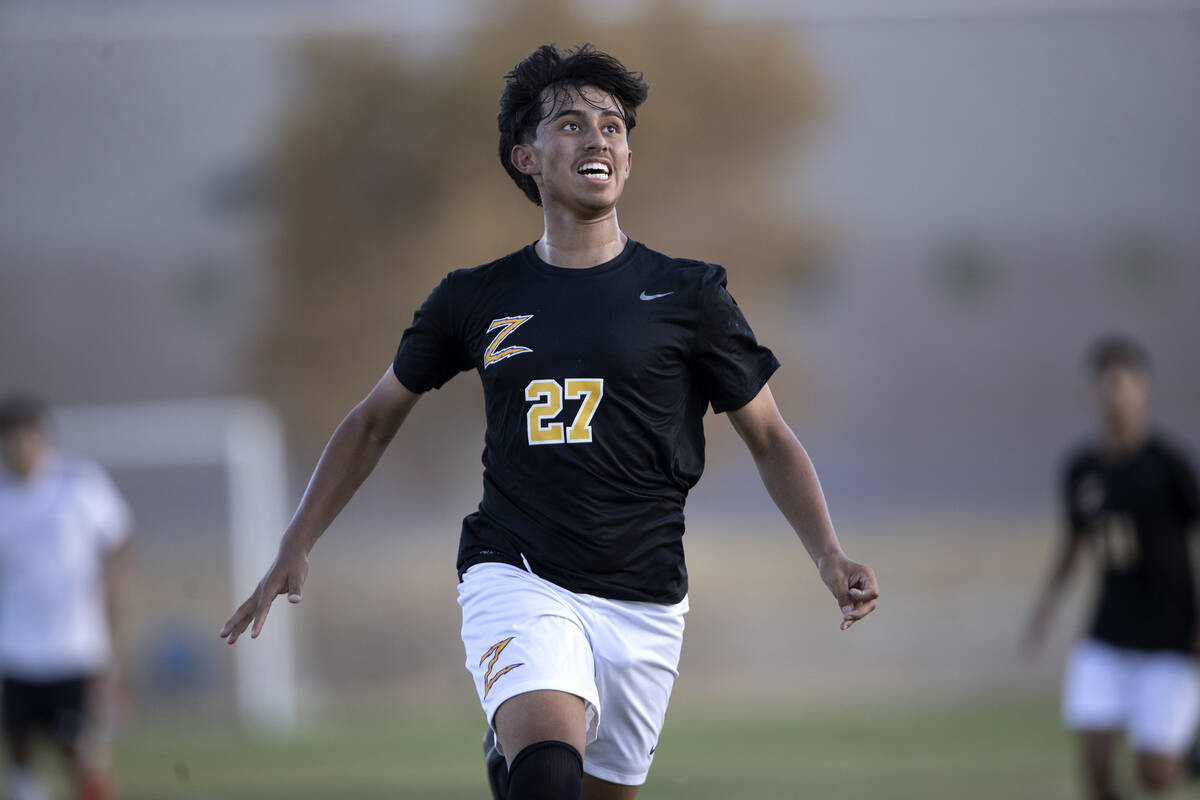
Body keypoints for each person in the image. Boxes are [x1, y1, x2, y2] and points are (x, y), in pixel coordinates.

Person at [220, 43, 879, 800]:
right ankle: (522, 753)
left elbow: (769, 437)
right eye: (571, 124)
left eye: (613, 126)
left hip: (646, 600)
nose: (598, 138)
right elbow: (373, 422)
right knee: (547, 776)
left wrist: (829, 556)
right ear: (526, 158)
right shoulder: (474, 298)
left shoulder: (690, 295)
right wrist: (295, 541)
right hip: (518, 575)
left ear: (627, 156)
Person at [1025, 337, 1200, 799]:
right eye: (1105, 386)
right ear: (1092, 393)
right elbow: (1074, 543)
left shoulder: (1169, 468)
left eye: (1123, 385)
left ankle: (1188, 753)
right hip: (1108, 634)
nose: (1113, 396)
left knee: (1155, 773)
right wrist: (1046, 608)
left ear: (1144, 391)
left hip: (1169, 639)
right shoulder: (1082, 470)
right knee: (1096, 766)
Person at [0, 395, 131, 800]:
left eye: (27, 436)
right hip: (15, 647)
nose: (19, 446)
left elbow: (117, 543)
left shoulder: (77, 483)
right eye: (10, 438)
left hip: (74, 646)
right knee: (20, 751)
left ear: (43, 439)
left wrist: (111, 621)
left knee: (78, 748)